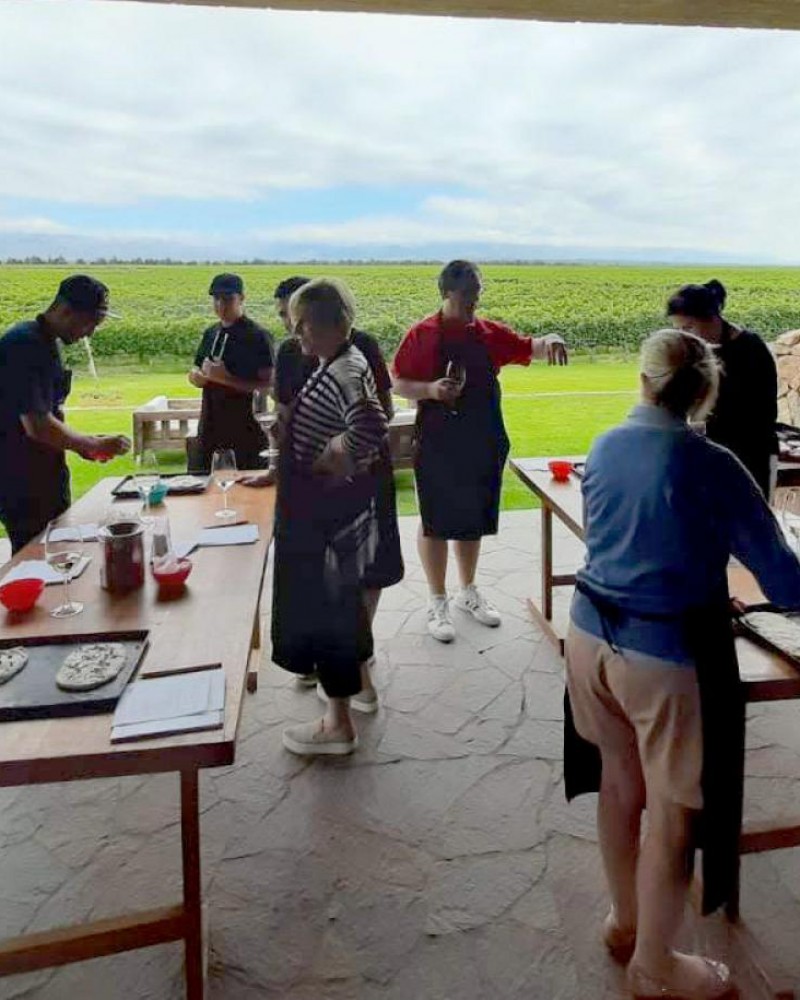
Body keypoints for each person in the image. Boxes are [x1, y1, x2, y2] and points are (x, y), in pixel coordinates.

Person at [565, 329, 800, 1000]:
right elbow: (783, 581)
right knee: (673, 812)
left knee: (619, 782)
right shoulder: (712, 463)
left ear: (643, 381)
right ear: (707, 392)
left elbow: (621, 535)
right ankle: (656, 966)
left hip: (588, 637)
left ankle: (626, 922)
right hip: (661, 654)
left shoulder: (606, 444)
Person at [392, 259, 568, 643]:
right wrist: (431, 391)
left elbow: (529, 347)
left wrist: (550, 339)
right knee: (436, 518)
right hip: (438, 438)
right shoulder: (422, 335)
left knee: (472, 514)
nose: (473, 302)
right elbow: (399, 383)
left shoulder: (488, 334)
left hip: (483, 437)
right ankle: (437, 600)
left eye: (477, 294)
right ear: (446, 293)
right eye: (466, 294)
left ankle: (467, 591)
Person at [250, 275, 404, 707]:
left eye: (299, 322)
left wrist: (335, 460)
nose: (292, 331)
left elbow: (373, 421)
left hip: (333, 505)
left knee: (342, 596)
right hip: (316, 501)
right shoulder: (320, 359)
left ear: (325, 322)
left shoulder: (350, 360)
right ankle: (338, 671)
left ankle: (349, 682)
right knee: (332, 601)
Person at [0, 275, 130, 554]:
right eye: (90, 323)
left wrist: (80, 445)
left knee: (58, 551)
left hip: (46, 475)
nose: (91, 333)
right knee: (35, 557)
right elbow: (37, 425)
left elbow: (51, 411)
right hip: (22, 481)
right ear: (64, 310)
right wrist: (92, 444)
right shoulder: (23, 345)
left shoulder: (46, 343)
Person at [667, 278, 777, 497]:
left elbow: (761, 414)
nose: (685, 335)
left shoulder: (751, 349)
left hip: (750, 456)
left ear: (712, 317)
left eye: (689, 327)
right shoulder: (696, 350)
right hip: (712, 454)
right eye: (679, 330)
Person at [188, 273, 274, 473]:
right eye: (216, 299)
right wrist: (195, 377)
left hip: (246, 430)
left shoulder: (257, 336)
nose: (220, 305)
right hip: (209, 427)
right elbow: (196, 367)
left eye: (227, 299)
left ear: (242, 298)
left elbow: (268, 385)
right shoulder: (211, 333)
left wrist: (226, 379)